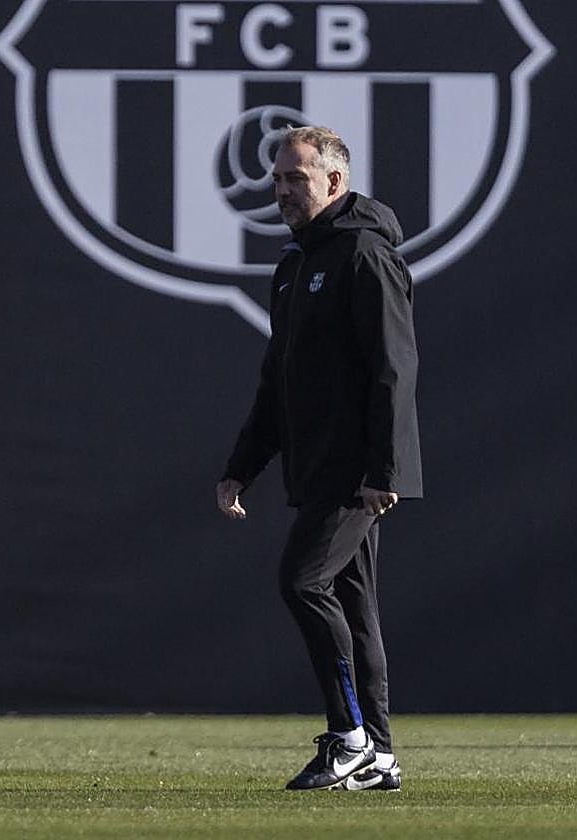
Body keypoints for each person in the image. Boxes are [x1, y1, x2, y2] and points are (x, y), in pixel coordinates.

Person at [216, 126, 422, 792]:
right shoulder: (293, 266)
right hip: (316, 467)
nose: (280, 190)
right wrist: (240, 466)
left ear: (334, 182)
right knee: (353, 607)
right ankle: (380, 755)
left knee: (302, 582)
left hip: (355, 472)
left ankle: (349, 736)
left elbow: (393, 368)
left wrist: (382, 471)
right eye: (276, 179)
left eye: (294, 178)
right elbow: (276, 382)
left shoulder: (363, 253)